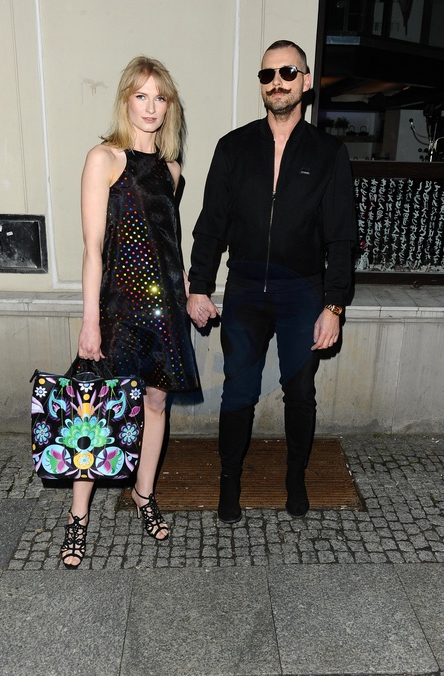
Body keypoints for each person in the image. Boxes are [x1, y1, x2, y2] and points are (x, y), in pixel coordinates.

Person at [187, 40, 356, 523]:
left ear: (306, 81)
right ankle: (229, 480)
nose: (277, 82)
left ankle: (295, 477)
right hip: (245, 289)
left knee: (300, 392)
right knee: (238, 389)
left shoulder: (329, 153)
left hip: (303, 292)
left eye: (287, 72)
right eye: (267, 75)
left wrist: (334, 305)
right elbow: (211, 224)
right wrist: (199, 286)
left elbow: (341, 236)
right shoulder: (233, 147)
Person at [61, 56, 199, 568]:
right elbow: (92, 249)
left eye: (160, 97)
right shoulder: (104, 159)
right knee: (95, 410)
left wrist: (189, 291)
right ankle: (78, 517)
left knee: (156, 403)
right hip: (117, 310)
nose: (151, 106)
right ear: (125, 101)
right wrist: (89, 322)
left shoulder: (172, 171)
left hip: (164, 310)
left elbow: (168, 244)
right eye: (141, 95)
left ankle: (144, 494)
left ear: (169, 107)